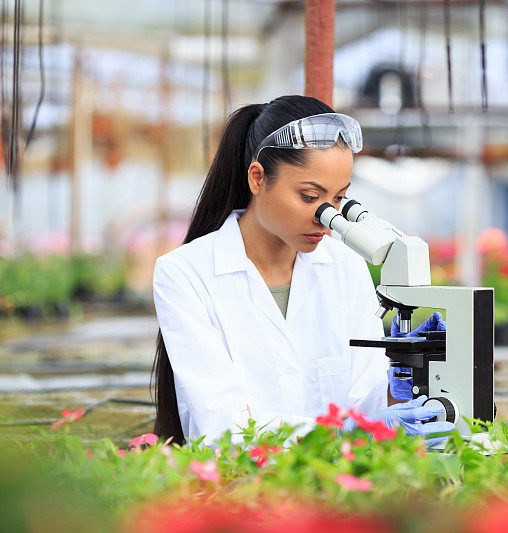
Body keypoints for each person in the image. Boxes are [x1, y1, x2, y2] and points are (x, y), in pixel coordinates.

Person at [150, 95, 454, 449]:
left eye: (339, 199)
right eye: (310, 196)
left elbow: (364, 408)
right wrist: (339, 434)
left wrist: (398, 380)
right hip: (239, 493)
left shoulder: (345, 266)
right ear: (258, 178)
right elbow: (220, 427)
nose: (326, 218)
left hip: (339, 488)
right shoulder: (185, 275)